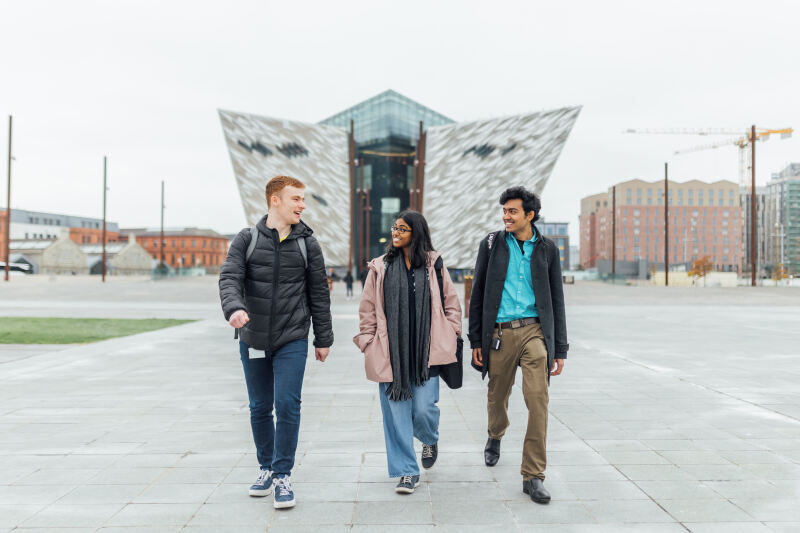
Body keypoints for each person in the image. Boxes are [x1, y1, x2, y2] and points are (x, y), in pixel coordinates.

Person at [219, 175, 333, 509]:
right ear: (275, 200)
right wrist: (234, 308)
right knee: (258, 407)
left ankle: (283, 474)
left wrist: (323, 338)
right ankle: (265, 468)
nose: (302, 205)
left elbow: (319, 293)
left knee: (286, 404)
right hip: (253, 337)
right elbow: (229, 277)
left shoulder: (307, 243)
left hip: (292, 336)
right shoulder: (246, 239)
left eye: (303, 199)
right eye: (296, 198)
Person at [468, 186, 568, 504]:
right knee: (497, 397)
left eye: (512, 211)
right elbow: (478, 292)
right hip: (499, 333)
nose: (505, 216)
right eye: (504, 211)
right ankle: (495, 434)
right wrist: (475, 339)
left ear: (529, 215)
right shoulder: (492, 244)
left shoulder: (548, 250)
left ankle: (533, 475)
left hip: (534, 333)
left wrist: (560, 348)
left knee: (538, 400)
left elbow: (556, 300)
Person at [354, 210, 462, 494]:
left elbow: (452, 302)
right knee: (396, 416)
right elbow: (367, 309)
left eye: (403, 229)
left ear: (417, 233)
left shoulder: (434, 264)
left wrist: (452, 332)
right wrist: (368, 341)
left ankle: (429, 438)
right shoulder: (380, 267)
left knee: (425, 410)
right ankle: (406, 471)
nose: (396, 233)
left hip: (427, 353)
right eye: (395, 228)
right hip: (391, 354)